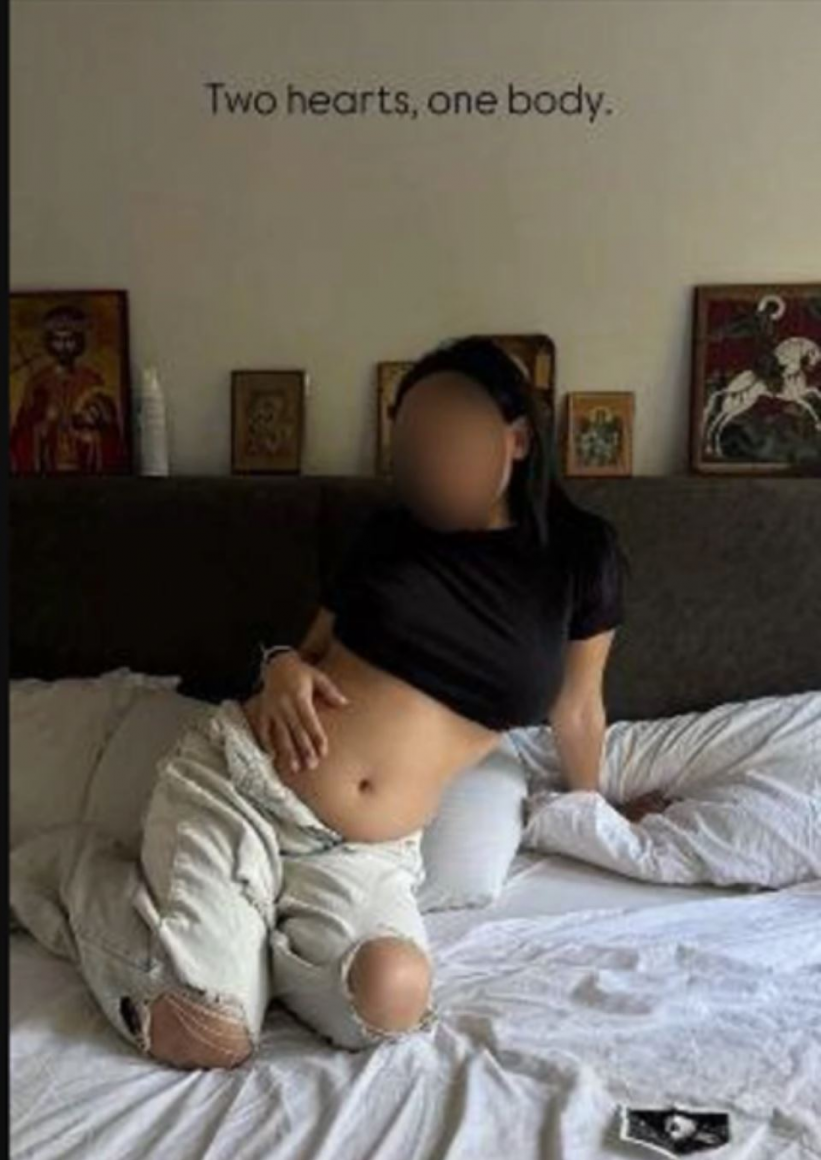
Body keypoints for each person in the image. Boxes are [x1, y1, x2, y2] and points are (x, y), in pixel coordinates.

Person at [10, 336, 671, 1071]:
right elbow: (304, 654)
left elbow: (577, 709)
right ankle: (58, 869)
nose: (424, 459)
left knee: (391, 995)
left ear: (515, 438)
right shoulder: (387, 535)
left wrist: (598, 811)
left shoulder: (580, 555)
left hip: (364, 854)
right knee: (203, 1034)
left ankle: (242, 942)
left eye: (445, 435)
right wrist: (279, 666)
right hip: (245, 786)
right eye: (410, 444)